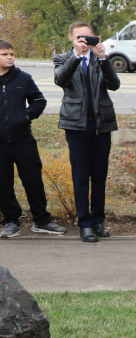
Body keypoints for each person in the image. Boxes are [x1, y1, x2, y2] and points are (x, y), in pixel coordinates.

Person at [54, 21, 120, 243]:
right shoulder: (63, 59)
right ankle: (85, 223)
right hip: (76, 125)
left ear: (95, 39)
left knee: (99, 174)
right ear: (71, 38)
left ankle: (98, 220)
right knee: (81, 175)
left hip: (102, 124)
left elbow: (114, 84)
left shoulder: (99, 59)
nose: (84, 41)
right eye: (80, 37)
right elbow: (60, 79)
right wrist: (77, 56)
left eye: (88, 38)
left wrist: (103, 59)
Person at [0, 39, 66, 238]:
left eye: (11, 54)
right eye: (4, 54)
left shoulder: (23, 78)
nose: (9, 57)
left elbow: (39, 100)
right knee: (3, 184)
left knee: (33, 181)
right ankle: (11, 221)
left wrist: (26, 116)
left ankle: (42, 221)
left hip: (23, 141)